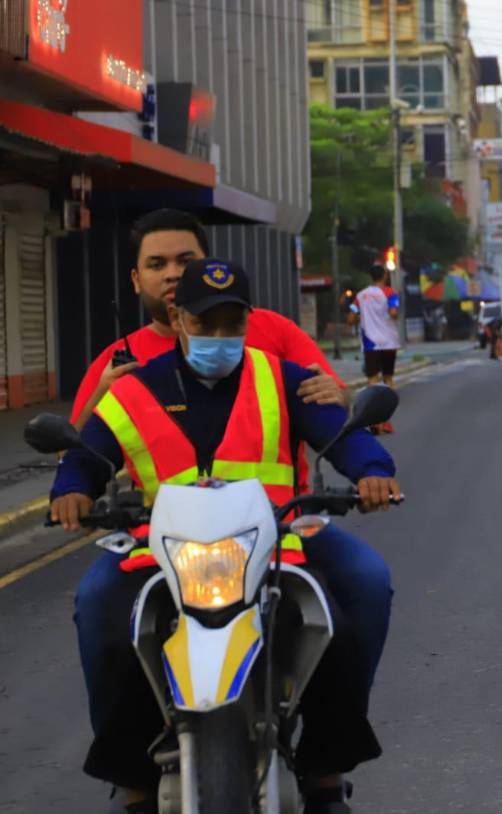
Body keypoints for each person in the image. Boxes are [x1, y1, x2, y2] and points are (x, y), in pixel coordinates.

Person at [52, 259, 402, 814]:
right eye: (206, 323)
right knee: (98, 607)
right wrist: (70, 489)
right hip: (159, 546)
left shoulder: (285, 379)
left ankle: (327, 773)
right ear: (178, 317)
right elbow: (86, 453)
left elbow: (339, 435)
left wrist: (372, 471)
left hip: (282, 535)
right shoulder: (135, 389)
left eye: (232, 325)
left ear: (249, 321)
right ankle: (134, 781)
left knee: (365, 584)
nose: (221, 337)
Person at [71, 209, 346, 429]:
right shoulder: (115, 362)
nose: (173, 274)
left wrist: (337, 395)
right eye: (157, 265)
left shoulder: (275, 330)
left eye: (185, 261)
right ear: (136, 280)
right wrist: (102, 396)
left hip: (276, 501)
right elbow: (71, 454)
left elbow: (340, 400)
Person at [351, 261, 401, 433]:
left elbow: (351, 315)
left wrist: (362, 316)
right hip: (389, 342)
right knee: (388, 380)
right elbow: (394, 312)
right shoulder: (390, 293)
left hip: (370, 343)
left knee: (372, 381)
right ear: (385, 276)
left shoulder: (360, 295)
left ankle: (374, 422)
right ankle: (385, 420)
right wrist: (391, 311)